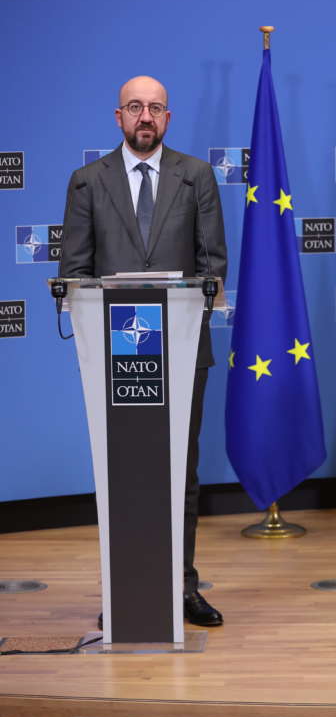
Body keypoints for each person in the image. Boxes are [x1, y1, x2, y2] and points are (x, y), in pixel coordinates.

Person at [59, 75, 228, 627]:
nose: (145, 117)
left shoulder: (196, 177)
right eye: (135, 107)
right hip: (115, 353)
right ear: (118, 117)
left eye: (155, 108)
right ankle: (126, 591)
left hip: (180, 349)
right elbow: (74, 271)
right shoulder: (87, 182)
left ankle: (182, 587)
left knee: (182, 469)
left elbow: (213, 268)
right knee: (124, 470)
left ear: (168, 118)